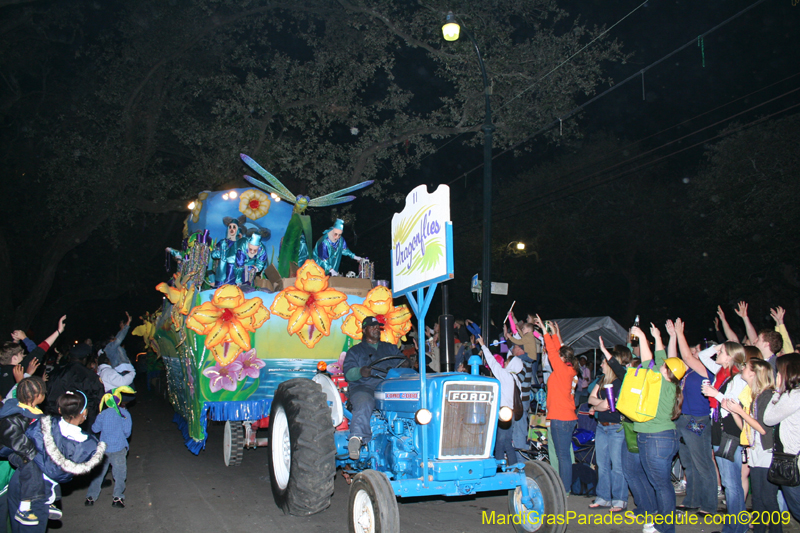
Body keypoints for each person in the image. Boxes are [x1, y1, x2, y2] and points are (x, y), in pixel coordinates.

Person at [7, 391, 106, 533]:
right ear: (84, 412)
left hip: (20, 480)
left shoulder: (43, 424)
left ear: (59, 410)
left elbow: (22, 444)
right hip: (40, 492)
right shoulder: (88, 445)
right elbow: (62, 474)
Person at [724, 359, 780, 533]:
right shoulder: (755, 395)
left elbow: (763, 429)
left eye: (746, 367)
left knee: (768, 499)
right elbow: (746, 428)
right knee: (758, 500)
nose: (742, 368)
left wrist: (740, 411)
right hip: (756, 452)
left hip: (766, 452)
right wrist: (734, 412)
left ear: (754, 373)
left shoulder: (767, 395)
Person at [699, 340, 749, 533]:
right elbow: (703, 356)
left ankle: (737, 528)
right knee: (729, 483)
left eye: (721, 352)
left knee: (731, 483)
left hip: (730, 433)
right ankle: (733, 526)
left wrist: (715, 394)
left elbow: (733, 405)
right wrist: (719, 346)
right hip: (719, 429)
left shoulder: (737, 378)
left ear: (730, 357)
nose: (717, 354)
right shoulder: (721, 371)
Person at [670, 318, 718, 516]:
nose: (694, 352)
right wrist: (673, 337)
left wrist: (680, 333)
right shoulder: (690, 371)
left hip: (697, 420)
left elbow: (687, 357)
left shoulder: (709, 370)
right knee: (688, 463)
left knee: (702, 463)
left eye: (698, 350)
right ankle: (692, 500)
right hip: (683, 418)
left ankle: (709, 505)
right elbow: (673, 361)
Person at [342, 316, 407, 460]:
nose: (376, 329)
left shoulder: (390, 348)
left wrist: (407, 363)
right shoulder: (355, 351)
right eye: (372, 326)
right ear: (364, 330)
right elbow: (348, 374)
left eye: (378, 326)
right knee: (364, 401)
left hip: (389, 386)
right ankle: (357, 437)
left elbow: (403, 362)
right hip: (365, 387)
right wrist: (360, 371)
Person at [0, 377, 54, 526]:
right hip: (16, 453)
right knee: (33, 466)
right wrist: (34, 454)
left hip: (26, 452)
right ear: (37, 396)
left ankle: (48, 498)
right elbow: (15, 441)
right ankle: (24, 508)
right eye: (43, 392)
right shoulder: (14, 414)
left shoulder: (33, 411)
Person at [537, 316, 578, 492]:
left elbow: (553, 353)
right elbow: (558, 351)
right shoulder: (569, 370)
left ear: (562, 358)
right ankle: (565, 486)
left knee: (563, 456)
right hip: (567, 417)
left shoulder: (562, 370)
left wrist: (545, 331)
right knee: (564, 455)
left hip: (560, 418)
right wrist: (555, 334)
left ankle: (564, 489)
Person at [589, 341, 631, 513]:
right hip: (601, 426)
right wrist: (599, 405)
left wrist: (596, 406)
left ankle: (620, 499)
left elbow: (610, 405)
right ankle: (604, 497)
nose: (601, 364)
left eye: (603, 362)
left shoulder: (622, 381)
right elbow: (591, 399)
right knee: (602, 464)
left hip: (616, 428)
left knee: (617, 465)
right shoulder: (602, 380)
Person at [763, 353, 800, 520]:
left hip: (792, 458)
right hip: (793, 456)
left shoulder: (793, 396)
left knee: (796, 506)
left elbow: (768, 419)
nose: (776, 375)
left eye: (779, 371)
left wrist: (777, 392)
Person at [477, 336, 524, 463]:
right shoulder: (517, 380)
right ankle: (513, 466)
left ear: (511, 365)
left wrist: (483, 346)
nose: (505, 363)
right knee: (507, 443)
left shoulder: (506, 376)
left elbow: (493, 363)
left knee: (499, 442)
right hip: (512, 414)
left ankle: (498, 468)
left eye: (507, 362)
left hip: (503, 413)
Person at [85, 388, 134, 508]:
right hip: (119, 448)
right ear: (119, 400)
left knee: (98, 474)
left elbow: (95, 428)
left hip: (103, 449)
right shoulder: (125, 414)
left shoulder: (102, 414)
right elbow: (127, 433)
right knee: (119, 474)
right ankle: (117, 497)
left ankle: (91, 497)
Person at [2, 317, 65, 398]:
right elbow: (38, 351)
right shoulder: (18, 369)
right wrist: (58, 331)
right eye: (21, 354)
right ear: (14, 358)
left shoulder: (3, 370)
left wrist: (16, 341)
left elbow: (9, 353)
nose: (24, 355)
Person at [45, 344, 105, 429]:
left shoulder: (56, 374)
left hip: (58, 421)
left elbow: (49, 397)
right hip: (84, 423)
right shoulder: (91, 377)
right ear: (85, 359)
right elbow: (100, 401)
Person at [210, 215, 246, 286]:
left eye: (234, 227)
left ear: (237, 229)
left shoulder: (240, 243)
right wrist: (219, 253)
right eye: (230, 227)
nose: (231, 229)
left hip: (235, 271)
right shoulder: (223, 242)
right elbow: (214, 254)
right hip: (223, 270)